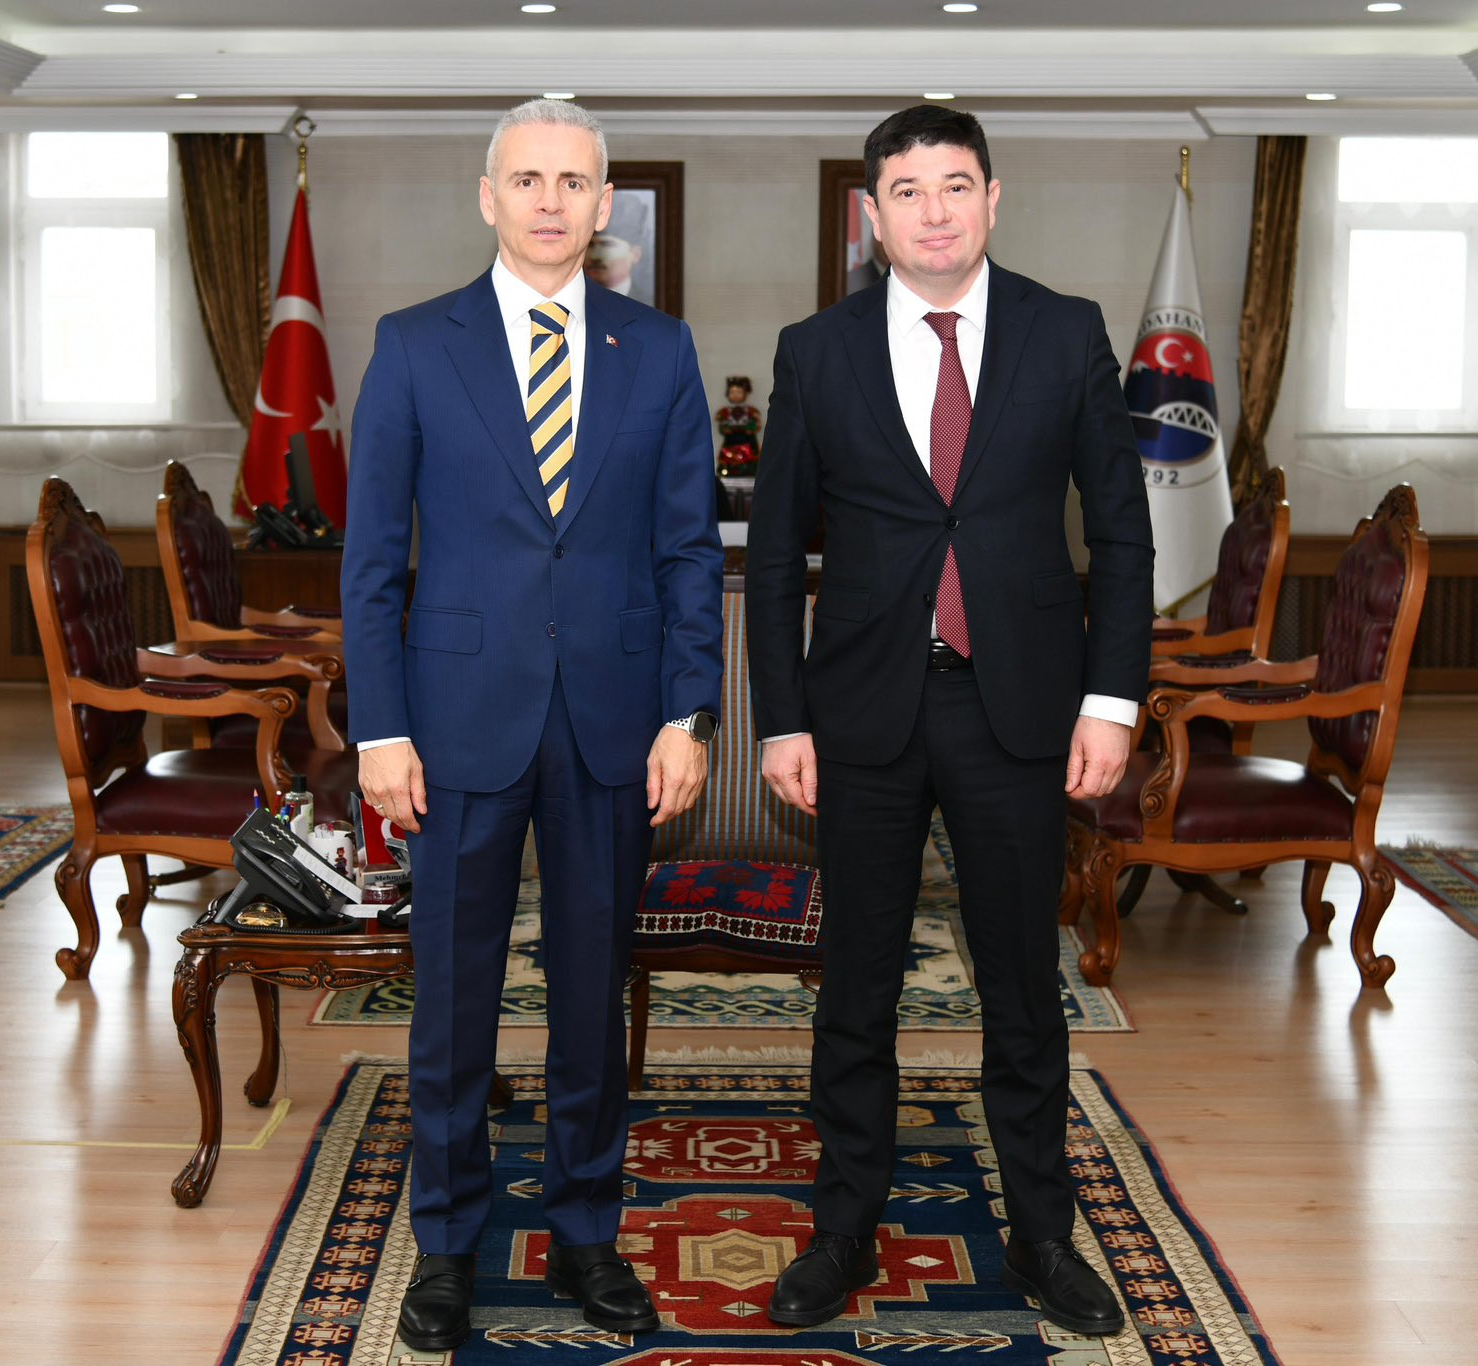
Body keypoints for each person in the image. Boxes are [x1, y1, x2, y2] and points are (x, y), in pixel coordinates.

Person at [745, 104, 1154, 1338]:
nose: (933, 211)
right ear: (871, 213)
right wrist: (779, 719)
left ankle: (1041, 1231)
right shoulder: (815, 351)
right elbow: (775, 554)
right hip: (860, 711)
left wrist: (1111, 699)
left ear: (992, 199)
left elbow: (1121, 534)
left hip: (1017, 708)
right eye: (908, 191)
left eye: (956, 185)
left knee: (1022, 985)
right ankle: (841, 1226)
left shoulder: (1064, 332)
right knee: (855, 987)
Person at [340, 98, 724, 1353]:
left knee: (590, 993)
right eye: (526, 178)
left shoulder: (656, 349)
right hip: (451, 723)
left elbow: (686, 550)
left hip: (614, 722)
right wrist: (378, 730)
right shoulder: (413, 344)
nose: (550, 200)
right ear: (487, 196)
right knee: (452, 999)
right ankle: (447, 1242)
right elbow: (371, 560)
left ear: (602, 203)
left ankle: (585, 1230)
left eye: (572, 181)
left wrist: (687, 713)